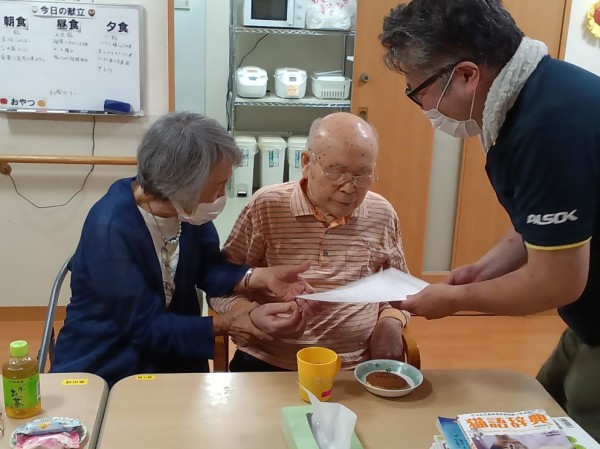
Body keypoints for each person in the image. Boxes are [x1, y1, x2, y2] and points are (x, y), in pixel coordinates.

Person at [380, 0, 600, 440]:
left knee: (580, 413)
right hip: (587, 311)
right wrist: (482, 271)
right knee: (546, 401)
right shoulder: (534, 96)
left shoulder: (547, 128)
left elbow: (556, 282)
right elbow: (538, 225)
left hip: (583, 295)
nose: (420, 104)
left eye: (417, 89)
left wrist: (457, 300)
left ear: (466, 75)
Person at [51, 111, 313, 386]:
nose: (222, 195)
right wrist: (228, 323)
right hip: (109, 361)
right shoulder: (110, 227)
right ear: (182, 185)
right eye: (219, 185)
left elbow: (207, 267)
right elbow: (142, 326)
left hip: (171, 351)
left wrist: (258, 277)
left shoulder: (187, 212)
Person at [208, 112, 410, 371]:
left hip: (353, 367)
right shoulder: (266, 206)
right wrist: (247, 313)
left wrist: (391, 320)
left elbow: (399, 288)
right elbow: (220, 284)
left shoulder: (382, 213)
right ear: (306, 162)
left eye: (362, 175)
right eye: (336, 172)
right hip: (267, 360)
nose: (349, 188)